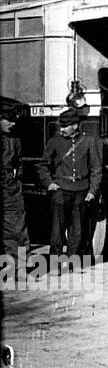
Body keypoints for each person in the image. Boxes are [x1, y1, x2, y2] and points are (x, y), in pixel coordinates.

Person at [37, 108, 101, 262]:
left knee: (77, 231)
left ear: (75, 126)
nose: (62, 129)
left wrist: (92, 190)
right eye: (61, 126)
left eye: (65, 126)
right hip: (60, 190)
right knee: (57, 232)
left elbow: (96, 168)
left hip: (81, 191)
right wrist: (49, 183)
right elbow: (42, 165)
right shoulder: (54, 142)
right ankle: (54, 264)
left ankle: (74, 262)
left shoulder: (88, 142)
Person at [1, 103, 28, 261]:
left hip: (11, 186)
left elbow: (19, 162)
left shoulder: (15, 139)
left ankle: (18, 267)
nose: (13, 124)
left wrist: (16, 179)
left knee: (17, 229)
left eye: (14, 120)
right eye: (8, 120)